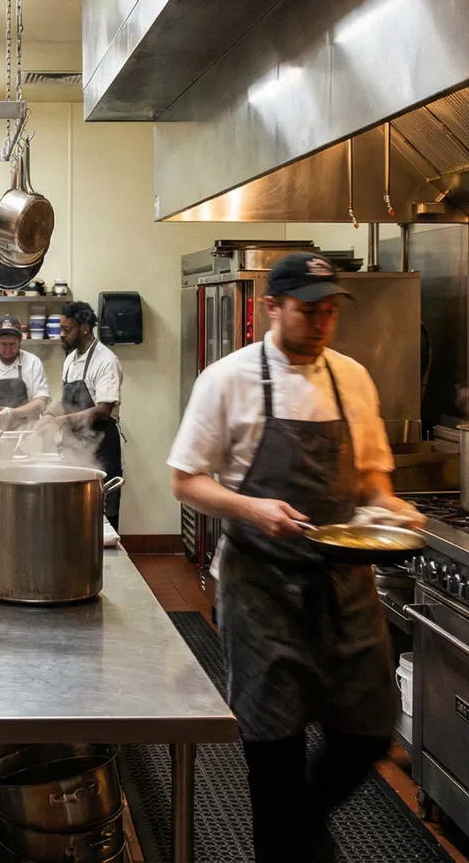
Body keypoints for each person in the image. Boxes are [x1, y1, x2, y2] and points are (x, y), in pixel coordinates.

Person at [165, 252, 421, 863]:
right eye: (309, 311)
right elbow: (185, 481)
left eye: (331, 311)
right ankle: (290, 845)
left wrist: (389, 508)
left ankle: (297, 834)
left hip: (345, 583)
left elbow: (370, 478)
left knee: (368, 728)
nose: (322, 323)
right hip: (262, 587)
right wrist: (256, 510)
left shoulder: (353, 377)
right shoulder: (226, 380)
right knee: (272, 746)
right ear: (270, 309)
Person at [48, 301, 123, 530]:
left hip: (100, 450)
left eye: (66, 330)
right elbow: (66, 401)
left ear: (84, 328)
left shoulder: (105, 361)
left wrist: (59, 422)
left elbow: (103, 410)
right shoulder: (71, 359)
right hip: (74, 449)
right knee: (74, 516)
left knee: (101, 519)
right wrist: (47, 416)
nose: (61, 335)